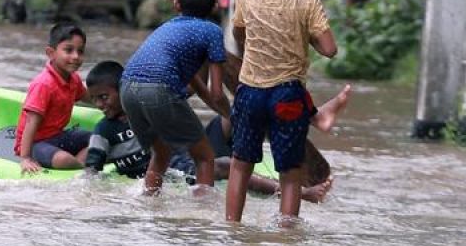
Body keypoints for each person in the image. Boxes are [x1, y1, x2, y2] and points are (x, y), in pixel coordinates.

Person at [83, 60, 349, 203]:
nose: (100, 104)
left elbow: (185, 94)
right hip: (181, 171)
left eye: (105, 97)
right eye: (95, 100)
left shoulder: (149, 107)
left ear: (123, 89)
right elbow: (91, 167)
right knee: (224, 165)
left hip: (192, 152)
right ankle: (302, 193)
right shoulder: (104, 129)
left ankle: (283, 136)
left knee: (235, 116)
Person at [226, 0, 338, 223]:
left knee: (240, 165)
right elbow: (329, 49)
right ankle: (285, 243)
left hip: (249, 91)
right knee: (290, 174)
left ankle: (231, 229)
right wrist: (305, 35)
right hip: (288, 96)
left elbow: (239, 34)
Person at [119, 0, 231, 195]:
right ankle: (202, 215)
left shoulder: (168, 27)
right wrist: (231, 115)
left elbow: (196, 88)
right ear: (215, 6)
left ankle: (150, 202)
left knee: (161, 152)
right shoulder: (212, 32)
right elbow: (217, 94)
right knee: (205, 157)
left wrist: (224, 111)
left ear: (177, 4)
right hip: (159, 89)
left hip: (127, 88)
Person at [15, 22, 91, 174]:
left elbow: (89, 97)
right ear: (51, 53)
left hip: (58, 136)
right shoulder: (44, 84)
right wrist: (25, 158)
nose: (76, 56)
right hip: (37, 143)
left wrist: (116, 103)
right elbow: (31, 123)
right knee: (63, 160)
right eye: (68, 50)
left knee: (99, 139)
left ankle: (79, 164)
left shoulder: (73, 79)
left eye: (80, 51)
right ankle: (82, 166)